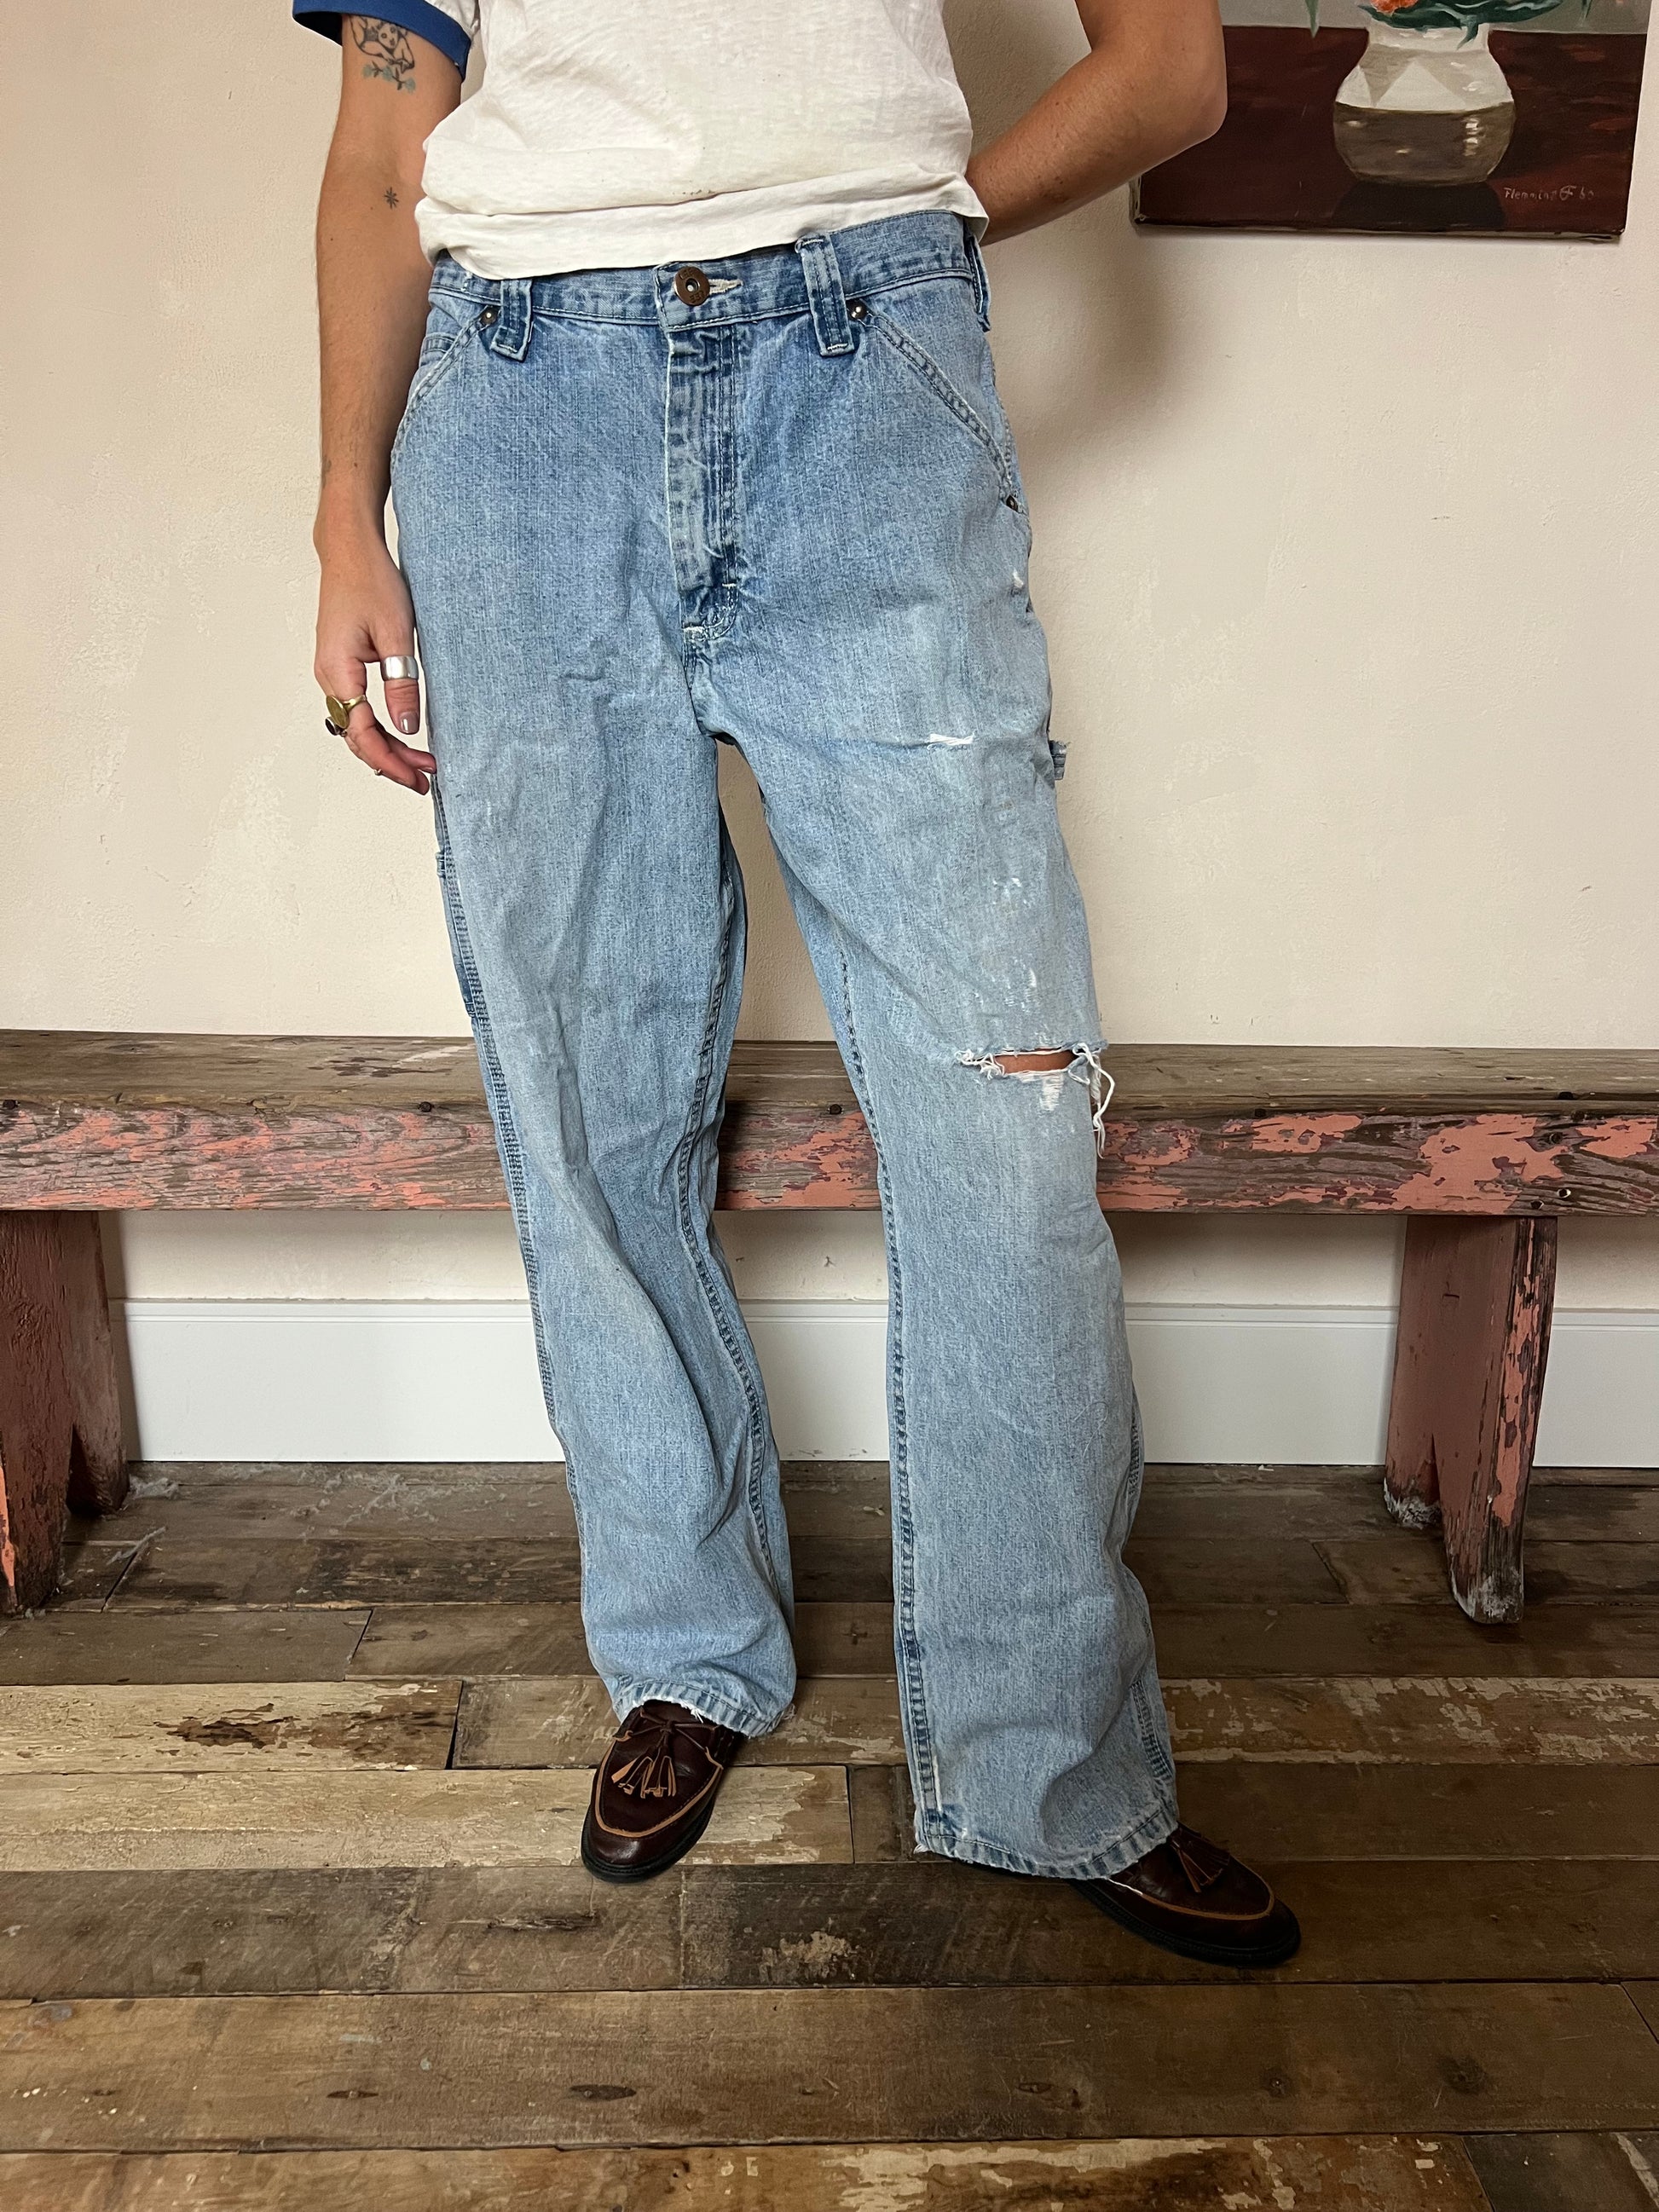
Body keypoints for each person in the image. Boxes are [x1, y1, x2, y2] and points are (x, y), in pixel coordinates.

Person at [299, 0, 1298, 1968]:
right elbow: (377, 155)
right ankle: (686, 1653)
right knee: (586, 1103)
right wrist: (344, 502)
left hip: (862, 382)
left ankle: (1052, 1766)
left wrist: (911, 231)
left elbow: (1170, 67)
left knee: (1002, 1119)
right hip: (513, 419)